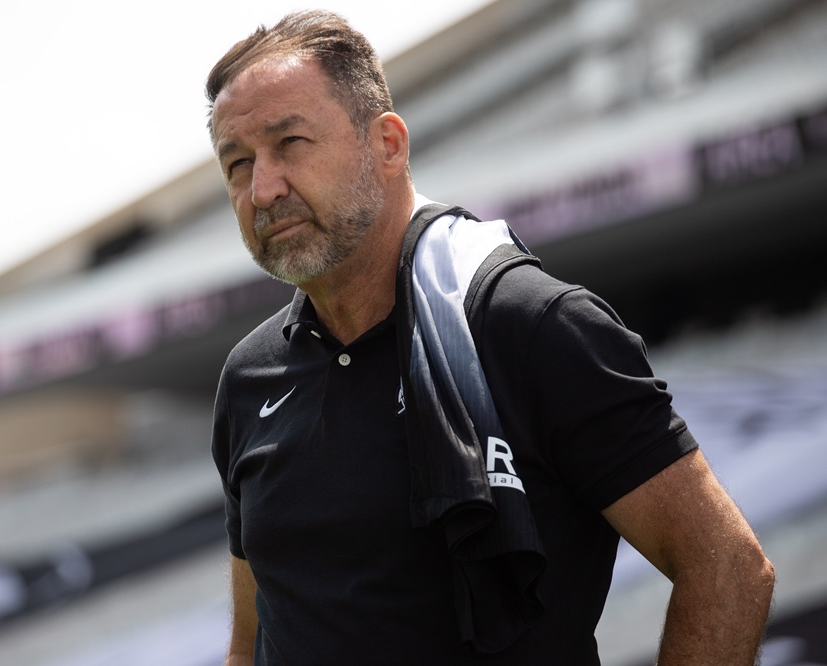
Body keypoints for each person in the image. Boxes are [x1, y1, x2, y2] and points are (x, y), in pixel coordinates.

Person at [205, 9, 774, 666]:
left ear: (387, 144)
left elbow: (728, 568)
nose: (264, 188)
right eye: (238, 163)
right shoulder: (248, 379)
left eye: (291, 142)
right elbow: (250, 645)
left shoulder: (531, 324)